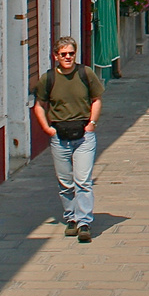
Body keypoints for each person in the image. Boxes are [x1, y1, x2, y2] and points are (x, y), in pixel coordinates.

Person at [30, 37, 103, 242]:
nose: (68, 57)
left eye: (71, 53)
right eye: (63, 54)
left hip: (83, 136)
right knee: (65, 182)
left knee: (83, 181)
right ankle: (71, 218)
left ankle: (84, 222)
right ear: (56, 56)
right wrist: (47, 128)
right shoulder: (49, 78)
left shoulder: (85, 74)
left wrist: (92, 124)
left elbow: (96, 99)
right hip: (60, 137)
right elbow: (39, 105)